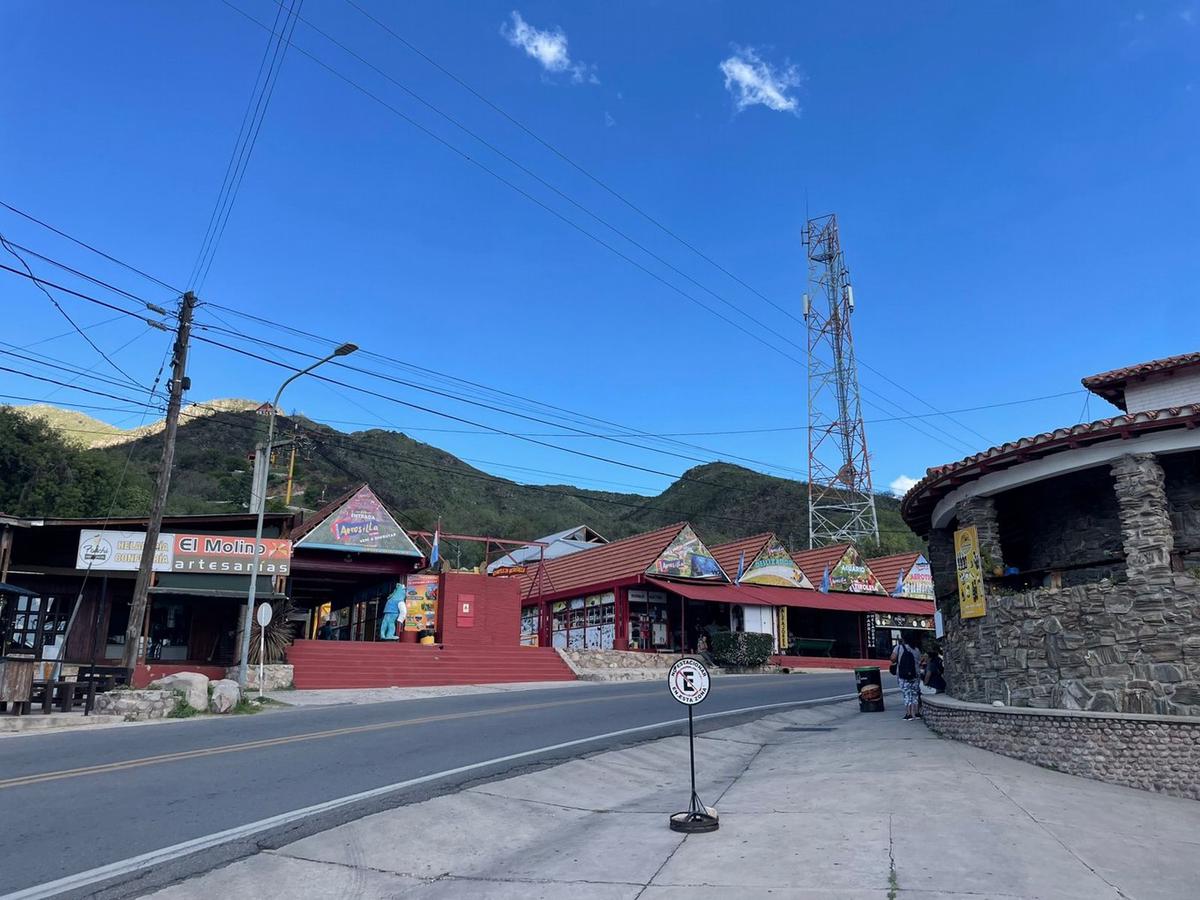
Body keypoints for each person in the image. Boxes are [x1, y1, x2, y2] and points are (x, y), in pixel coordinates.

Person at [890, 632, 923, 720]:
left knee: (906, 694)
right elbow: (920, 662)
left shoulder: (899, 647)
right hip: (915, 675)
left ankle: (909, 714)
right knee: (915, 694)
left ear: (904, 639)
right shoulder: (916, 649)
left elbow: (892, 659)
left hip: (903, 675)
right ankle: (917, 713)